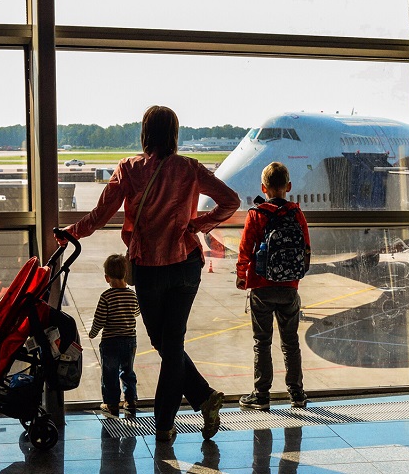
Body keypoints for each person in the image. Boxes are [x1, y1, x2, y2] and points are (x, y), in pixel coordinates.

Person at [57, 105, 240, 441]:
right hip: (185, 264)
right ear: (174, 134)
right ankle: (201, 397)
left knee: (165, 344)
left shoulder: (129, 169)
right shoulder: (190, 168)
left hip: (148, 269)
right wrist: (197, 225)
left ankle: (164, 425)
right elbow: (230, 201)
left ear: (144, 132)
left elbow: (100, 215)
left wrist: (72, 232)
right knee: (170, 345)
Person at [235, 162, 310, 411]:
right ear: (288, 187)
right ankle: (297, 393)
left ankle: (261, 394)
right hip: (290, 287)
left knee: (262, 342)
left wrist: (241, 275)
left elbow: (245, 249)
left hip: (261, 286)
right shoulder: (297, 213)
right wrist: (294, 276)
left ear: (263, 188)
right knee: (291, 343)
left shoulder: (257, 214)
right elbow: (306, 249)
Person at [90, 254, 140, 417]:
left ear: (107, 277)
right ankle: (130, 401)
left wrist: (93, 332)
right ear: (126, 274)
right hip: (129, 340)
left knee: (109, 374)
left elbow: (100, 319)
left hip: (110, 341)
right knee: (127, 372)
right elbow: (137, 312)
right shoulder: (132, 295)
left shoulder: (106, 296)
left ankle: (112, 404)